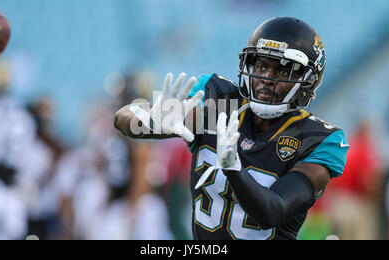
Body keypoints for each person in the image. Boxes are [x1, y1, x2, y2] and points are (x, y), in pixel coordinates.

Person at [114, 17, 349, 240]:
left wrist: (234, 169)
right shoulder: (221, 102)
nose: (267, 78)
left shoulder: (317, 139)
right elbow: (123, 118)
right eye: (261, 66)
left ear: (307, 80)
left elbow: (271, 211)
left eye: (282, 70)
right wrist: (150, 120)